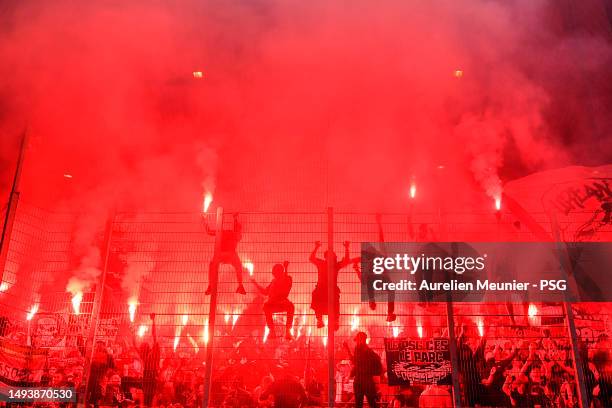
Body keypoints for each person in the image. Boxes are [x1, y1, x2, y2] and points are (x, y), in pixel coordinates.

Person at [309, 240, 351, 330]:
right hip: (321, 289)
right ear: (326, 257)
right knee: (316, 296)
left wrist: (347, 248)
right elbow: (311, 258)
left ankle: (335, 321)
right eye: (328, 256)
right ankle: (319, 320)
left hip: (332, 289)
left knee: (335, 300)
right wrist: (316, 247)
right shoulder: (321, 264)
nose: (330, 258)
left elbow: (346, 261)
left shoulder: (335, 265)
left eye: (332, 257)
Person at [251, 261, 295, 340]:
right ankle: (272, 331)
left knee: (291, 307)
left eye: (276, 272)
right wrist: (255, 284)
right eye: (274, 272)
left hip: (282, 303)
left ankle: (287, 331)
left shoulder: (287, 278)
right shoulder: (273, 281)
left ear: (280, 272)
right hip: (273, 304)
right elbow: (265, 292)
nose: (274, 274)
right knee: (266, 306)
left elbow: (284, 282)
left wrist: (286, 268)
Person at [205, 212, 246, 295]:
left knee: (212, 265)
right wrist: (235, 218)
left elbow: (208, 231)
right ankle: (240, 285)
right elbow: (237, 230)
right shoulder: (235, 234)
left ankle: (210, 286)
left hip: (221, 255)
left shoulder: (221, 232)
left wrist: (204, 220)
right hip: (230, 255)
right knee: (238, 266)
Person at [132, 313, 160, 407]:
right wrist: (133, 332)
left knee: (149, 399)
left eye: (143, 347)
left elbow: (154, 336)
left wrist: (153, 322)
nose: (141, 348)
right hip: (148, 377)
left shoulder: (153, 353)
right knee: (148, 400)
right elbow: (135, 345)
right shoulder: (145, 355)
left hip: (151, 377)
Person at [347, 331, 382, 408]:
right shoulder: (368, 351)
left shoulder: (362, 351)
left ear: (362, 340)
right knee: (371, 403)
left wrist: (347, 349)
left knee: (361, 403)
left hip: (362, 381)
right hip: (366, 381)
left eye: (357, 340)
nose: (356, 342)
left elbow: (355, 361)